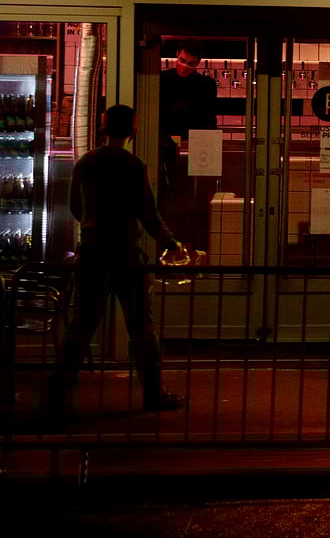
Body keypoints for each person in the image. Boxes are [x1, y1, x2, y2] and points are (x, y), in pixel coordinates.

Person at [48, 104, 185, 414]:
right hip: (126, 253)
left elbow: (75, 206)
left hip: (94, 251)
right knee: (141, 328)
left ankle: (58, 394)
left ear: (103, 127)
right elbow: (147, 213)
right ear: (133, 130)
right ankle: (154, 393)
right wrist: (170, 241)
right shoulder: (134, 166)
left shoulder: (87, 163)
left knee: (82, 327)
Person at [159, 39, 218, 250]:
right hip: (165, 147)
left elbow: (209, 122)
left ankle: (189, 245)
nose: (184, 67)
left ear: (199, 64)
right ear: (176, 55)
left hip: (192, 150)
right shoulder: (160, 79)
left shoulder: (205, 86)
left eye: (191, 63)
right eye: (182, 61)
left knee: (192, 202)